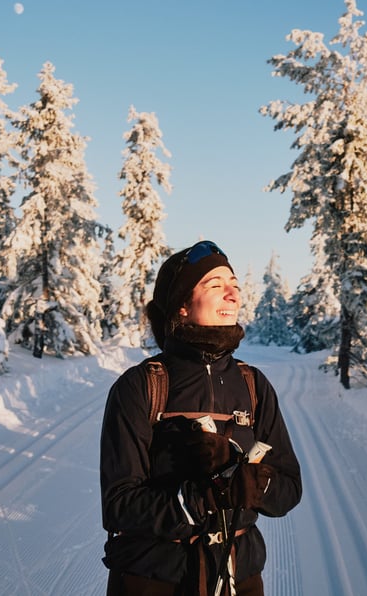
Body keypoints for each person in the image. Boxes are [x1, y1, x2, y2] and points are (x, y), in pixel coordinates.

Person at [100, 240, 302, 596]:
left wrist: (253, 483)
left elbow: (288, 490)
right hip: (153, 580)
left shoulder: (253, 384)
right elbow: (119, 506)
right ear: (181, 305)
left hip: (240, 579)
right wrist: (199, 498)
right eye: (215, 284)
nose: (233, 295)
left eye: (235, 285)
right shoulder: (141, 386)